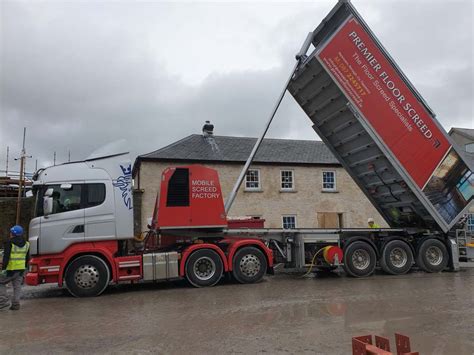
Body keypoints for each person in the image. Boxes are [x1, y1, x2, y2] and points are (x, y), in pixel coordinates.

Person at [1, 225, 30, 311]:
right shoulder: (27, 244)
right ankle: (16, 304)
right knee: (17, 287)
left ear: (13, 233)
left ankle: (2, 302)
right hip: (20, 269)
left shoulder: (9, 243)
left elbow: (6, 257)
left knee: (0, 282)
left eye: (11, 232)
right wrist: (24, 269)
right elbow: (27, 258)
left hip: (10, 269)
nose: (10, 233)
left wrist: (3, 269)